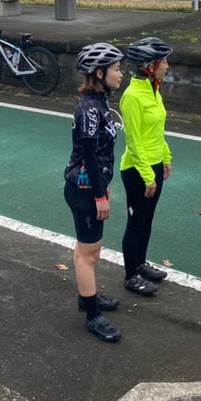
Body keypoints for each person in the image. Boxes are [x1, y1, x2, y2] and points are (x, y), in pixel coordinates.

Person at [63, 42, 125, 343]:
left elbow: (99, 154)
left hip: (89, 187)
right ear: (99, 73)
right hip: (84, 190)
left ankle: (86, 297)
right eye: (116, 69)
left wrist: (104, 183)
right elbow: (88, 154)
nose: (120, 74)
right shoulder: (89, 108)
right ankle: (92, 315)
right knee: (91, 253)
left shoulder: (98, 102)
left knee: (83, 249)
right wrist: (99, 195)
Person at [119, 37, 173, 297]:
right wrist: (147, 176)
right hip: (137, 171)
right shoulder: (132, 96)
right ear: (150, 65)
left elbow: (157, 130)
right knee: (136, 221)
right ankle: (131, 275)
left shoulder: (153, 88)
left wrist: (166, 156)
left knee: (147, 220)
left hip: (153, 166)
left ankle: (141, 263)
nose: (168, 66)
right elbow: (134, 140)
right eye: (164, 62)